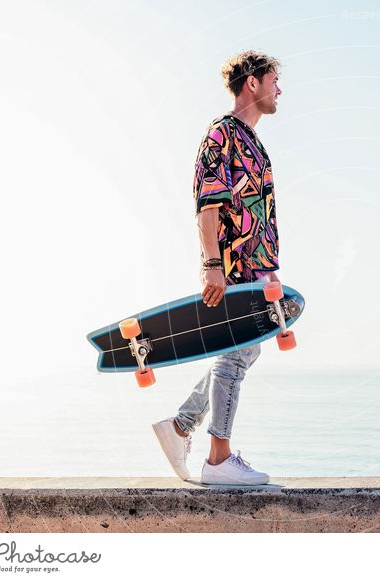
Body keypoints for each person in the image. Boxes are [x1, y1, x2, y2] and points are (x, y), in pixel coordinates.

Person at [152, 50, 283, 485]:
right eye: (273, 80)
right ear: (252, 83)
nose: (279, 89)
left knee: (245, 350)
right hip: (229, 267)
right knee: (234, 352)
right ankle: (218, 459)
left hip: (253, 271)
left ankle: (180, 428)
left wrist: (269, 274)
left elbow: (259, 215)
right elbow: (208, 204)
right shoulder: (221, 135)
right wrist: (211, 265)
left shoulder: (256, 147)